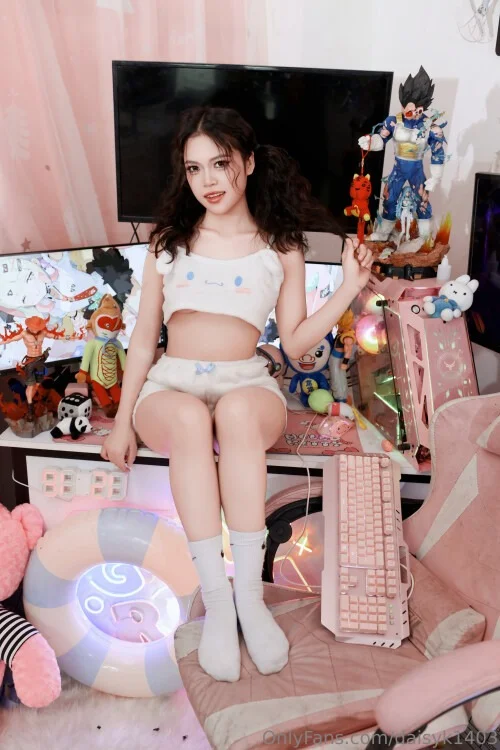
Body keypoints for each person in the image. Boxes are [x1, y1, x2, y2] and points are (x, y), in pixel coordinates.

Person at [101, 106, 373, 682]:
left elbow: (295, 343)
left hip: (246, 380)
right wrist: (122, 422)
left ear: (248, 163)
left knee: (238, 411)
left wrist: (349, 286)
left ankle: (249, 598)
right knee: (190, 420)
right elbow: (144, 340)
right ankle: (219, 604)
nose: (208, 180)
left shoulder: (281, 245)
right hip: (170, 384)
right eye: (194, 168)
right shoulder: (168, 243)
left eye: (220, 163)